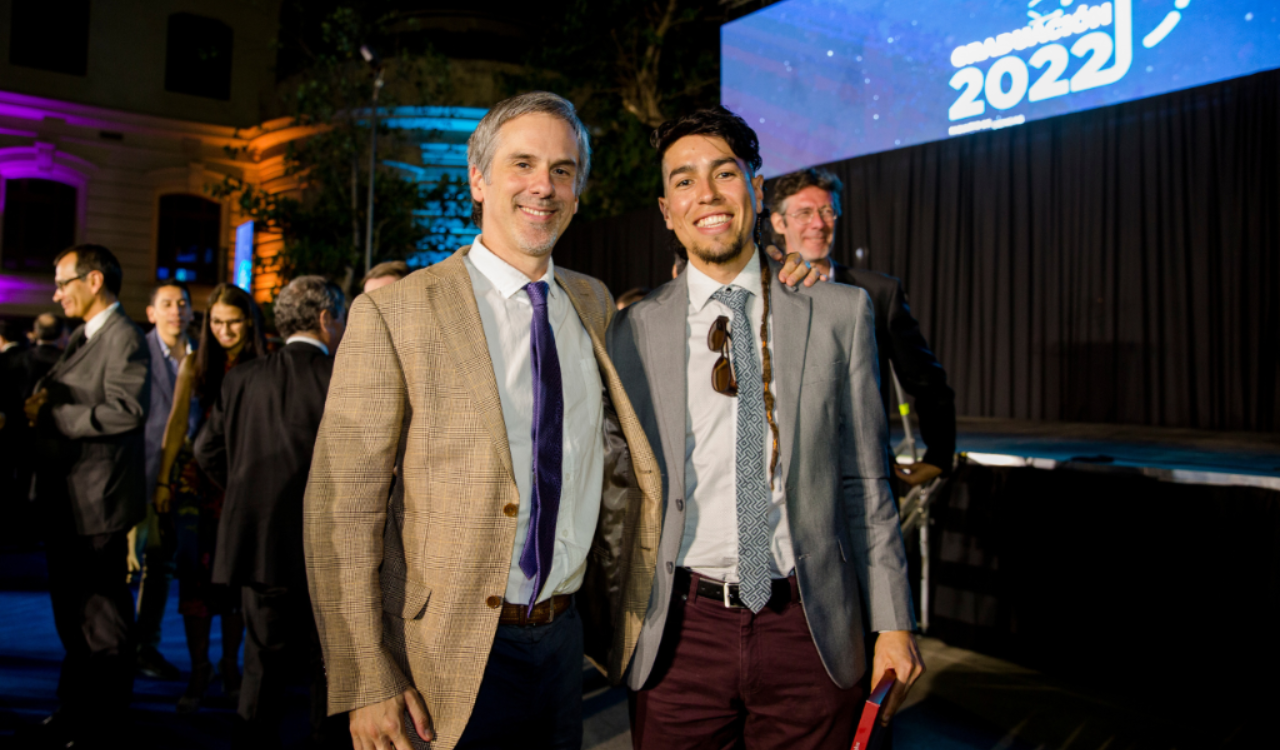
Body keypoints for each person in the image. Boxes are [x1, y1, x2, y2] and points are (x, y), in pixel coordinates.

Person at [608, 107, 924, 749]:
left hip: (808, 626)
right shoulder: (633, 331)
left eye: (724, 173)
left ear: (755, 188)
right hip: (681, 635)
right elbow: (620, 491)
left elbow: (866, 478)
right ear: (667, 209)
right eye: (685, 181)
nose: (708, 195)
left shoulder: (838, 312)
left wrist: (892, 620)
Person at [195, 276, 345, 745]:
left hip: (257, 548)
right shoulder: (342, 377)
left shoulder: (242, 378)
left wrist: (245, 492)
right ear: (324, 319)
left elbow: (205, 451)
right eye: (338, 317)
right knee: (330, 673)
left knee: (260, 670)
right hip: (329, 553)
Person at [23, 244, 150, 745]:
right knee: (72, 616)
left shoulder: (123, 337)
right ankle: (75, 710)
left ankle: (103, 721)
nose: (56, 294)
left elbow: (126, 410)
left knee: (103, 624)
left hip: (98, 505)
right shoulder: (84, 334)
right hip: (70, 501)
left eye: (62, 282)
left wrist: (53, 415)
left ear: (93, 280)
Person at [768, 168, 956, 485]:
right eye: (804, 213)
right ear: (778, 222)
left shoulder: (876, 292)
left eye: (827, 211)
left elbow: (927, 380)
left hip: (864, 475)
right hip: (778, 475)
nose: (818, 223)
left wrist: (939, 455)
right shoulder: (756, 292)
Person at [154, 283, 265, 713]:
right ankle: (200, 669)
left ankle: (231, 666)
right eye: (215, 321)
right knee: (194, 585)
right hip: (194, 490)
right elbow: (177, 424)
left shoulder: (264, 363)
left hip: (245, 489)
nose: (223, 330)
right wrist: (163, 481)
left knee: (237, 586)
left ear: (248, 321)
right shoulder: (194, 365)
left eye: (232, 321)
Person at [130, 281, 198, 684]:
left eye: (183, 304)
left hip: (187, 478)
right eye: (167, 304)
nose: (176, 310)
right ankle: (119, 646)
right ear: (152, 312)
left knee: (163, 566)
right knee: (130, 566)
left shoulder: (199, 354)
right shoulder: (137, 351)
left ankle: (145, 645)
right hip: (140, 474)